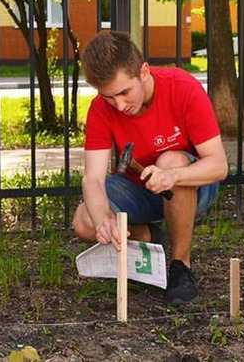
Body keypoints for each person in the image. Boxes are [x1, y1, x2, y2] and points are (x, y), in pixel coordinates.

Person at [72, 30, 228, 306]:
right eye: (109, 97)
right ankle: (151, 237)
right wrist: (103, 220)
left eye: (124, 92)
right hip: (139, 189)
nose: (118, 105)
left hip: (190, 186)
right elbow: (93, 179)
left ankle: (180, 265)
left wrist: (173, 175)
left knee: (171, 160)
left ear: (143, 72)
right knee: (84, 222)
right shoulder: (100, 109)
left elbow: (218, 165)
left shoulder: (183, 87)